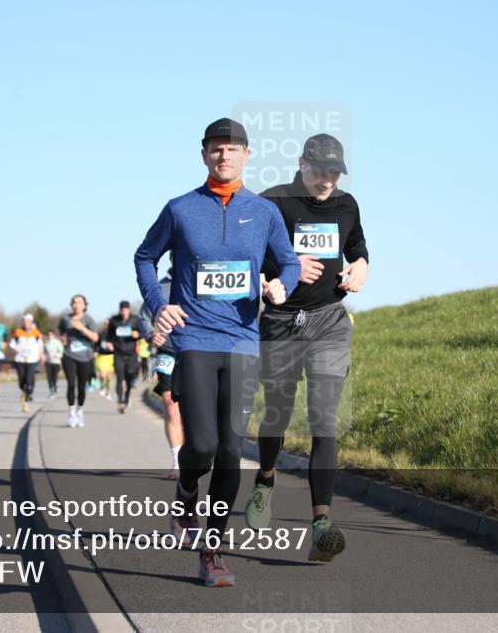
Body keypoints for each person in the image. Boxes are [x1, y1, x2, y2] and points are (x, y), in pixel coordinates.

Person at [134, 118, 300, 587]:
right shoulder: (181, 208)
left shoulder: (264, 213)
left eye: (232, 149)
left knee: (230, 451)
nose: (223, 156)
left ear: (247, 155)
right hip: (195, 338)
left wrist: (281, 286)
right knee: (202, 445)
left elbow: (287, 261)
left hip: (243, 341)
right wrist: (159, 305)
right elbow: (144, 256)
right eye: (215, 149)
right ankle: (186, 492)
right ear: (204, 155)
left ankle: (213, 552)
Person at [244, 134, 369, 563]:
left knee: (323, 416)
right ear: (301, 164)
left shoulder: (346, 206)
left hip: (329, 322)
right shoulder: (272, 203)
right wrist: (289, 263)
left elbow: (357, 248)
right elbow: (247, 254)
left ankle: (321, 524)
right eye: (319, 171)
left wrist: (361, 268)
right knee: (277, 411)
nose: (327, 181)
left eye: (335, 173)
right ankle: (264, 479)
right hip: (281, 322)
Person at [139, 264, 182, 479]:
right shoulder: (161, 287)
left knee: (193, 409)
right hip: (167, 352)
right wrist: (150, 335)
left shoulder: (201, 282)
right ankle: (177, 461)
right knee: (170, 405)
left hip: (195, 353)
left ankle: (196, 456)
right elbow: (144, 317)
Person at [58, 295, 99, 428]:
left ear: (84, 305)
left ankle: (79, 412)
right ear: (71, 305)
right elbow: (61, 333)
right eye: (74, 303)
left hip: (85, 356)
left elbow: (95, 338)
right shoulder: (65, 319)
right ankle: (71, 414)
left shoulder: (89, 320)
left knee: (82, 386)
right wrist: (63, 339)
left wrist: (82, 328)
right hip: (69, 355)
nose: (76, 305)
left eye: (79, 303)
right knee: (71, 384)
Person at [106, 300, 141, 413]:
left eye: (126, 310)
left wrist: (137, 335)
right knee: (119, 378)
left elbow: (143, 333)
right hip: (118, 353)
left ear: (129, 309)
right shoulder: (114, 320)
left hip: (131, 354)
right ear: (119, 310)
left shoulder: (135, 319)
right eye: (122, 310)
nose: (124, 312)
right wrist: (109, 343)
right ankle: (120, 402)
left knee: (130, 377)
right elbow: (108, 335)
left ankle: (127, 396)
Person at [10, 312, 44, 414]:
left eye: (28, 321)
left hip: (32, 360)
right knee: (21, 381)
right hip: (20, 360)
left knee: (29, 380)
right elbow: (12, 344)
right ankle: (24, 392)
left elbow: (40, 345)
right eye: (24, 321)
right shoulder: (18, 332)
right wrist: (16, 349)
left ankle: (27, 399)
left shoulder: (36, 333)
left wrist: (41, 354)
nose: (26, 323)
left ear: (31, 322)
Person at [95, 326, 115, 401]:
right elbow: (96, 344)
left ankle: (108, 392)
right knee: (102, 374)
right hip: (102, 356)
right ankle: (102, 386)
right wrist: (96, 351)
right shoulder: (101, 334)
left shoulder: (115, 335)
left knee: (109, 377)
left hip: (112, 356)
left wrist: (114, 348)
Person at [43, 330, 64, 399]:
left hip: (56, 362)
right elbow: (44, 352)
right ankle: (51, 391)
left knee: (54, 377)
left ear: (53, 335)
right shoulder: (46, 343)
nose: (49, 336)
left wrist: (55, 355)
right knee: (49, 377)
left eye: (51, 334)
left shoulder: (57, 342)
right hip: (48, 362)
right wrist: (45, 356)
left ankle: (54, 390)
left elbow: (61, 352)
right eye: (48, 335)